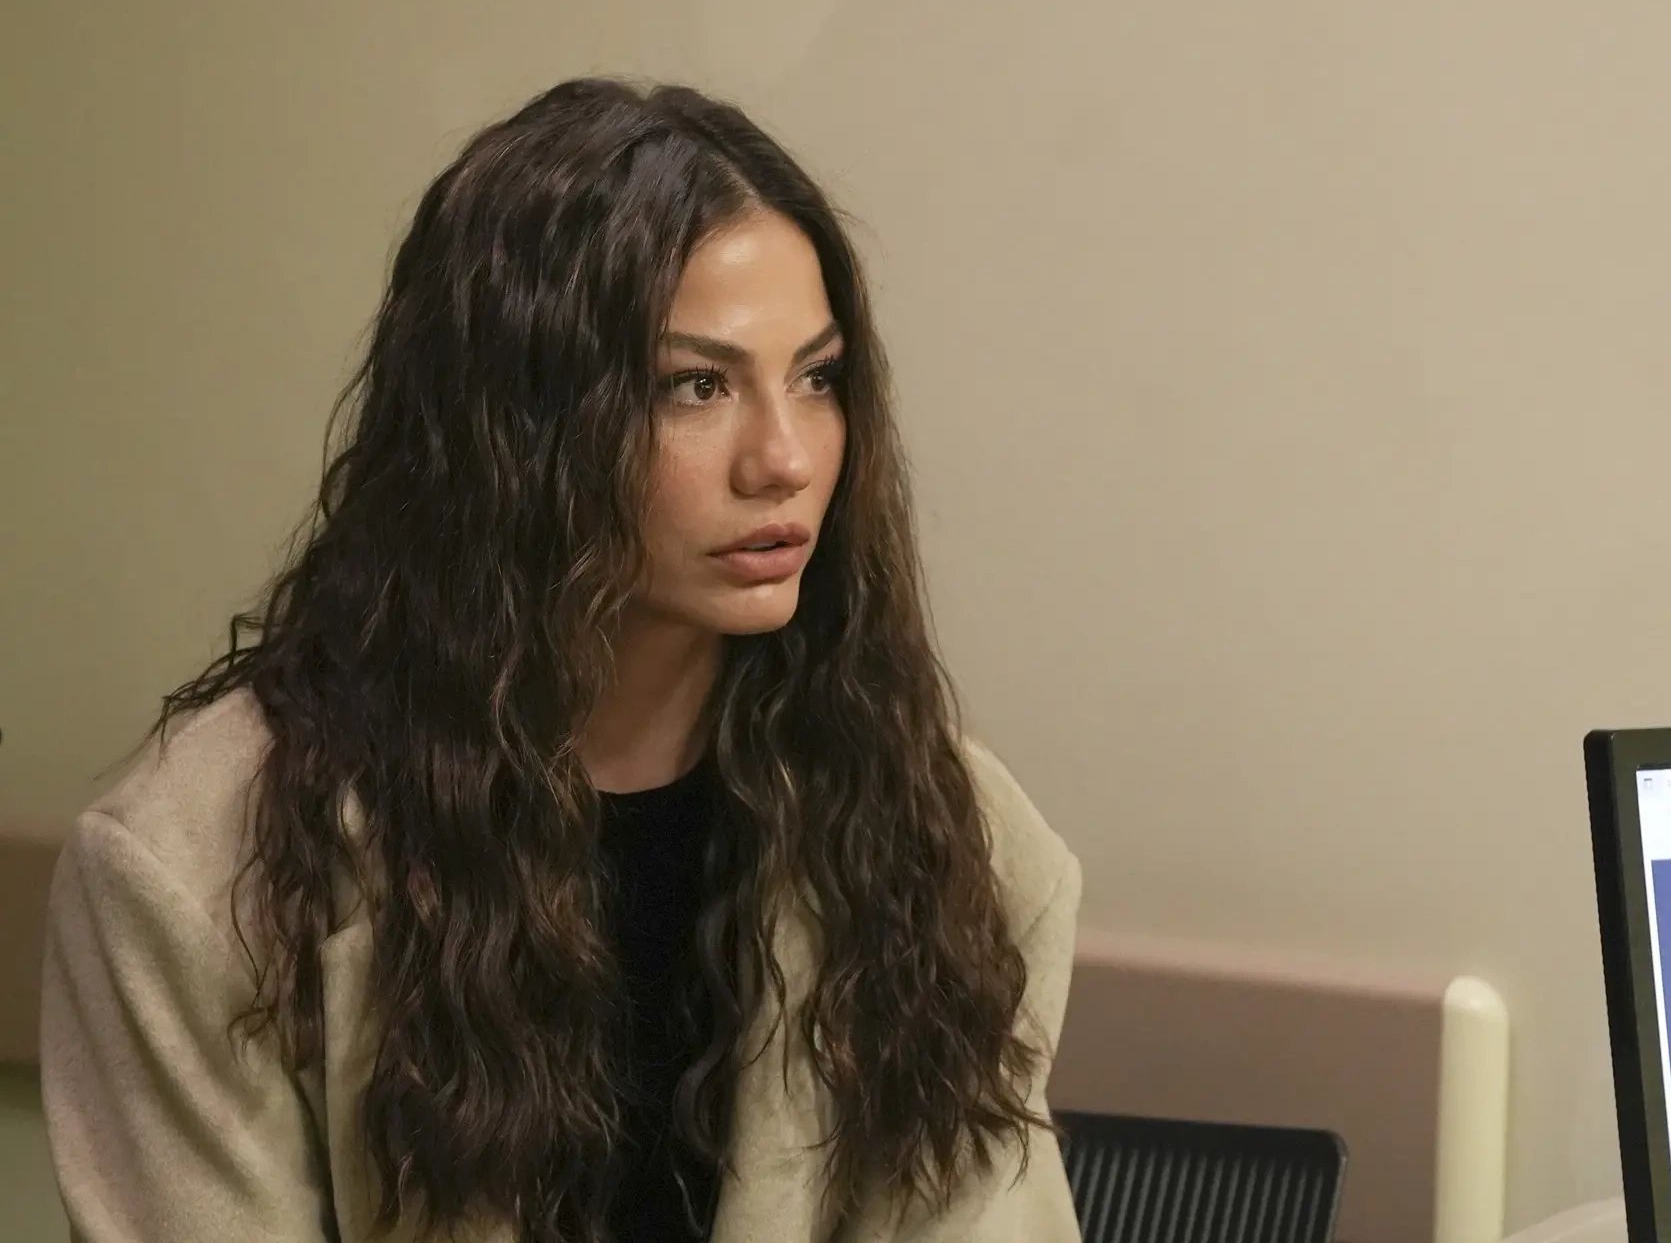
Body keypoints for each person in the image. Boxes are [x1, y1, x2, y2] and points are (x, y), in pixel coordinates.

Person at [38, 77, 1083, 1243]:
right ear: (516, 432)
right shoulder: (194, 872)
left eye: (817, 377)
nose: (784, 458)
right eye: (695, 386)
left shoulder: (955, 842)